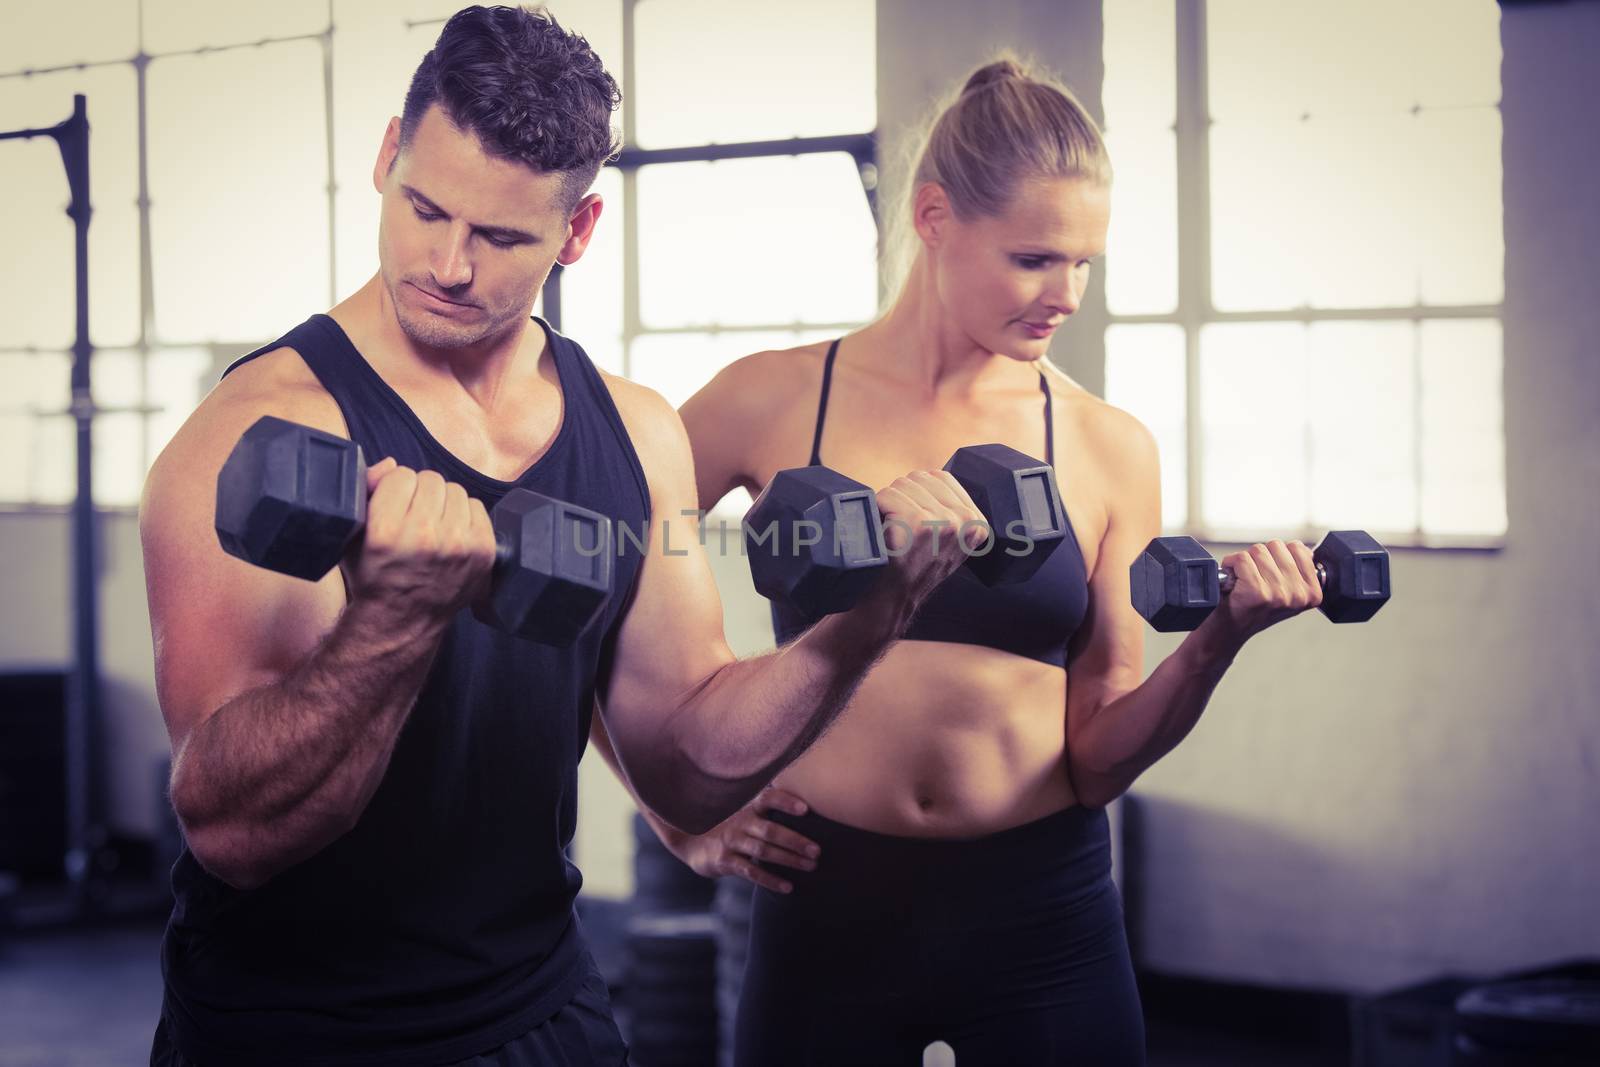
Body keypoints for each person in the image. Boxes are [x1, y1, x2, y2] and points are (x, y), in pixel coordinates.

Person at [137, 7, 989, 1065]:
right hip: (296, 1033)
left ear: (576, 231)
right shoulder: (256, 428)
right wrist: (394, 619)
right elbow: (233, 833)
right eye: (424, 207)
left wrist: (872, 616)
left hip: (544, 1011)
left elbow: (684, 759)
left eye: (499, 237)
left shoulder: (632, 433)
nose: (447, 263)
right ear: (386, 157)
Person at [597, 57, 1329, 1066]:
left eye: (1083, 263)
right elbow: (591, 595)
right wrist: (671, 811)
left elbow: (1097, 753)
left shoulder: (1106, 444)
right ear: (935, 217)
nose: (1064, 294)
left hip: (1040, 911)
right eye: (1034, 258)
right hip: (825, 904)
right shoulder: (766, 400)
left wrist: (1218, 642)